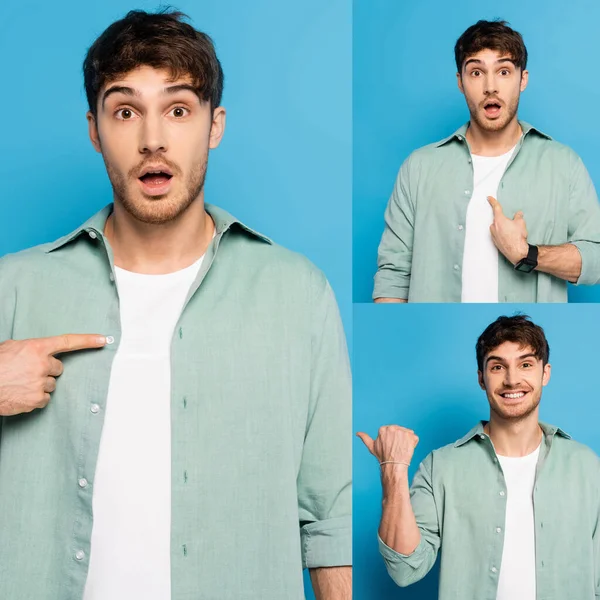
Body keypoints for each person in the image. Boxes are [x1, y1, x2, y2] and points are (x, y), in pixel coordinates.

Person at [0, 10, 351, 600]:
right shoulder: (13, 288)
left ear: (215, 125)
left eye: (179, 110)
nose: (153, 139)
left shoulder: (297, 293)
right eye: (126, 111)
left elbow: (328, 521)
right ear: (94, 129)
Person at [357, 315, 600, 599]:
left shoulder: (586, 465)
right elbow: (406, 568)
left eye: (525, 364)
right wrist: (393, 471)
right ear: (481, 378)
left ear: (545, 373)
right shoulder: (441, 467)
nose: (512, 380)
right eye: (498, 366)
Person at [373, 20, 600, 303]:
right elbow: (392, 278)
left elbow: (596, 257)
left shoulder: (563, 164)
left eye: (503, 71)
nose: (490, 87)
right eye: (477, 72)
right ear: (461, 82)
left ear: (523, 79)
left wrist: (527, 254)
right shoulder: (418, 168)